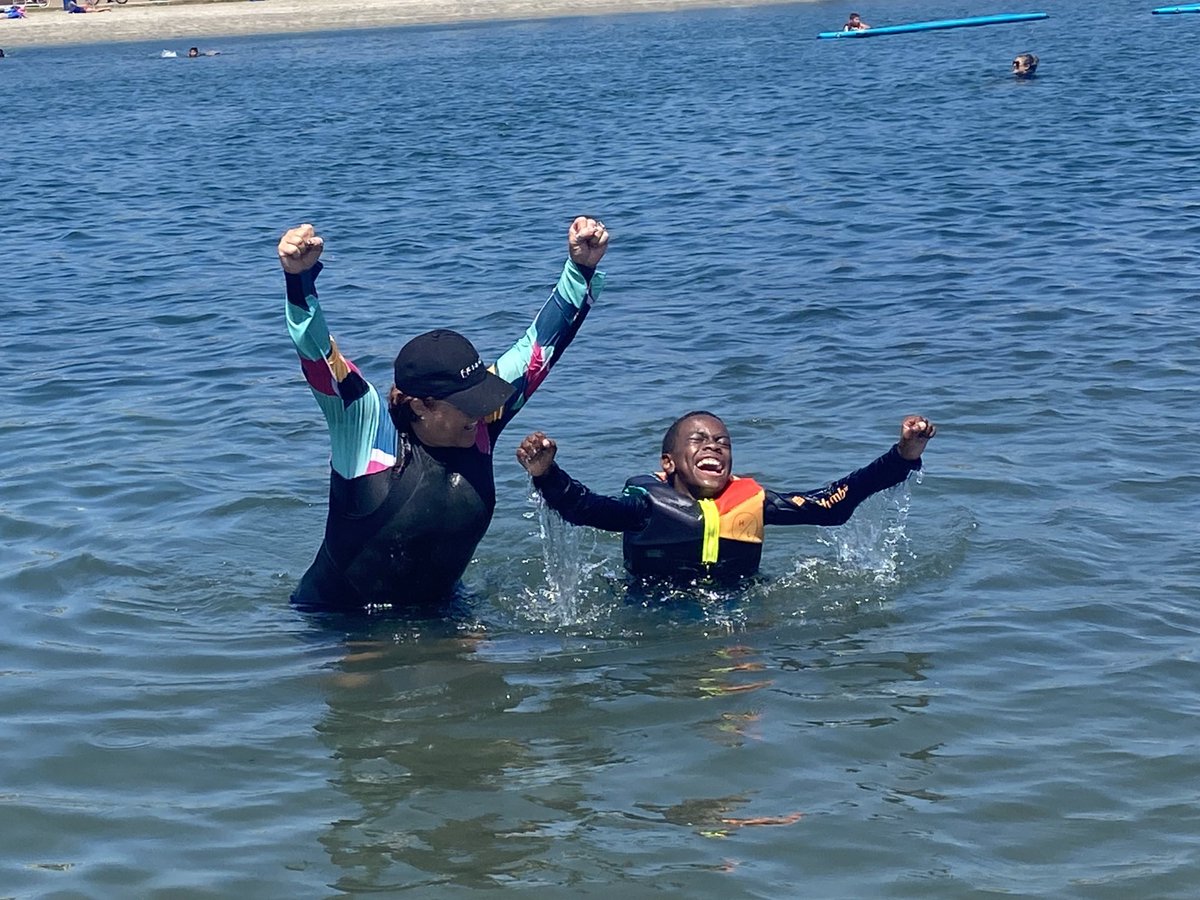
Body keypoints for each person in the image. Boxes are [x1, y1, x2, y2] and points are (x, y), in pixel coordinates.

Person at [279, 217, 609, 612]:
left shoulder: (485, 418)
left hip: (439, 609)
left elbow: (541, 344)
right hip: (339, 617)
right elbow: (321, 358)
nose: (482, 411)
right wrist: (299, 281)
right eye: (466, 403)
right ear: (421, 405)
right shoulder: (366, 433)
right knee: (357, 676)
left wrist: (580, 268)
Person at [516, 412, 935, 583]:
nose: (713, 447)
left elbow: (833, 505)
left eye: (722, 442)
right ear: (669, 464)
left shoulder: (752, 502)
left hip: (738, 605)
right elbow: (586, 508)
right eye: (698, 441)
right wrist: (546, 474)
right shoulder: (645, 506)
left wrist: (901, 457)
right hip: (651, 609)